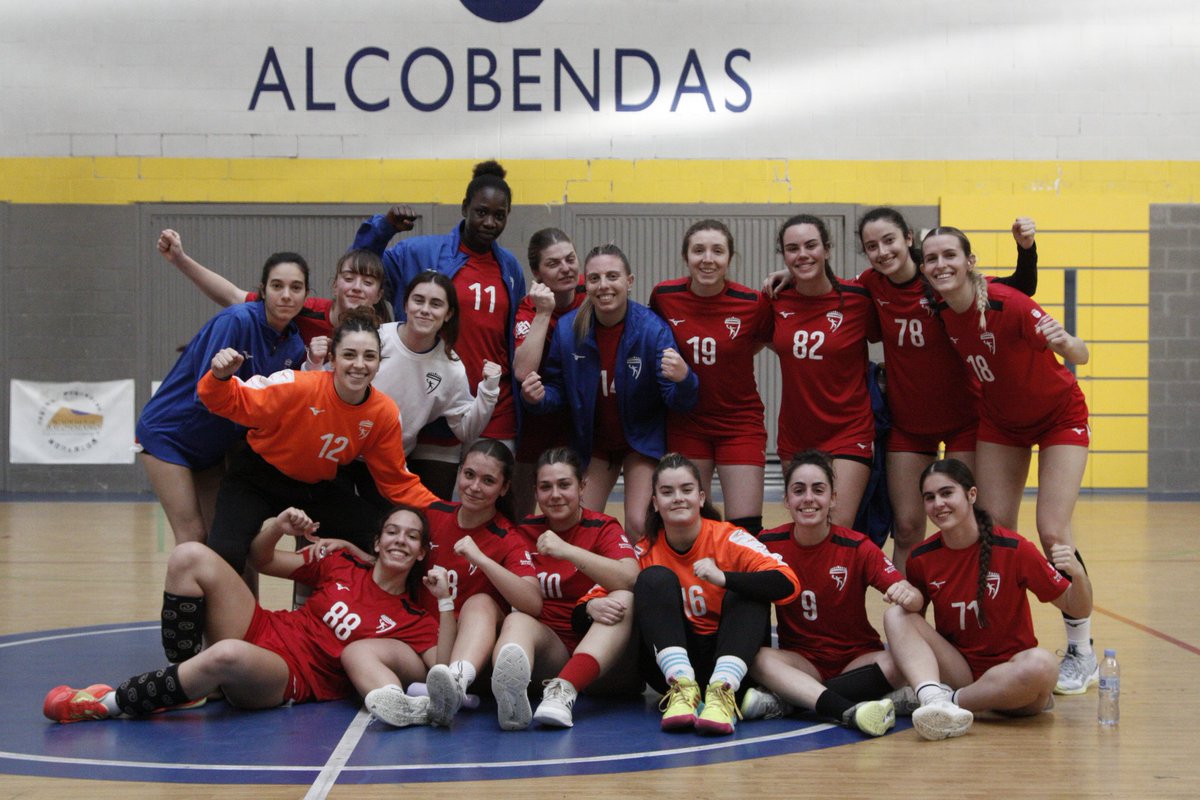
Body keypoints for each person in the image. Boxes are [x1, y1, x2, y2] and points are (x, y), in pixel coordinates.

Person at [44, 505, 443, 728]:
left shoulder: (414, 618)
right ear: (377, 541)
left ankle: (109, 702)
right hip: (264, 625)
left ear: (422, 552)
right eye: (392, 532)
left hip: (287, 675)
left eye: (411, 537)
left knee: (227, 654)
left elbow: (439, 669)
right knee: (189, 557)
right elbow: (262, 559)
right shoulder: (338, 562)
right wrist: (276, 526)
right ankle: (184, 682)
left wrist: (446, 603)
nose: (400, 541)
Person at [921, 226, 1097, 695]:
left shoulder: (1008, 304)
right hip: (1001, 423)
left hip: (1059, 416)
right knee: (993, 528)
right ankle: (999, 646)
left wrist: (1066, 343)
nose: (941, 265)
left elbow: (1081, 353)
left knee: (1052, 529)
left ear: (970, 261)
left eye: (949, 256)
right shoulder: (940, 308)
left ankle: (1081, 648)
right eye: (931, 258)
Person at [855, 209, 1038, 571]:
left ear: (908, 238)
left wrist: (1026, 249)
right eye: (871, 246)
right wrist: (790, 274)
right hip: (908, 425)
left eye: (889, 240)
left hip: (964, 422)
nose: (882, 251)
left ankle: (968, 609)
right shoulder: (871, 284)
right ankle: (906, 618)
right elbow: (829, 292)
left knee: (964, 523)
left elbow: (1019, 286)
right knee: (907, 527)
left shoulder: (941, 281)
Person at [197, 308, 439, 577]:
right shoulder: (295, 387)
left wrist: (445, 512)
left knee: (377, 537)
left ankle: (350, 606)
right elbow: (228, 401)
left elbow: (397, 481)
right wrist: (220, 377)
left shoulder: (383, 412)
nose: (359, 364)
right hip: (256, 478)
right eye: (349, 355)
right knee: (225, 555)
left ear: (379, 362)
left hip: (314, 488)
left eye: (369, 356)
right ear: (332, 360)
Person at [883, 459, 1093, 740]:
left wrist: (1078, 576)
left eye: (947, 493)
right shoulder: (922, 557)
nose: (938, 504)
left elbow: (1076, 607)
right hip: (960, 669)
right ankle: (937, 698)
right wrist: (908, 599)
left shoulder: (1014, 549)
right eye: (929, 497)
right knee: (897, 615)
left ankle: (949, 703)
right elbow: (915, 630)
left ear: (971, 495)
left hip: (1012, 678)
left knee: (1042, 664)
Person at [352, 161, 526, 497]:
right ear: (464, 209)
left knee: (483, 507)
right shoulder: (420, 251)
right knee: (424, 513)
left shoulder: (510, 268)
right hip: (429, 406)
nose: (489, 222)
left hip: (492, 406)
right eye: (481, 212)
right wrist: (384, 228)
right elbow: (360, 268)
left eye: (499, 215)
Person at [521, 244, 699, 541]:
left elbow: (681, 401)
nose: (603, 286)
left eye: (612, 276)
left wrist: (685, 380)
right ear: (586, 283)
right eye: (594, 278)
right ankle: (588, 584)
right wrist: (537, 398)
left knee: (639, 524)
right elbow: (556, 392)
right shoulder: (569, 329)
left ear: (629, 281)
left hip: (639, 440)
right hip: (593, 442)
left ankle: (638, 584)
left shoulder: (652, 330)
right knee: (576, 523)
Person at [740, 450, 922, 736]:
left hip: (857, 660)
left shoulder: (857, 547)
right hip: (802, 661)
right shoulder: (769, 545)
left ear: (833, 499)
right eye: (798, 491)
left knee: (900, 661)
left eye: (818, 490)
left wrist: (908, 595)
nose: (808, 498)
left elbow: (913, 597)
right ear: (787, 500)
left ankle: (791, 701)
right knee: (759, 659)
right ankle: (857, 702)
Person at [136, 252, 308, 545]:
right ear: (263, 289)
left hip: (213, 448)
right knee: (192, 536)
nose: (286, 295)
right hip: (170, 434)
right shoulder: (236, 320)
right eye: (277, 286)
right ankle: (181, 592)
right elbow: (207, 394)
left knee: (226, 539)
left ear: (306, 294)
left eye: (296, 287)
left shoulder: (295, 345)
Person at [634, 453, 800, 736]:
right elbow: (590, 603)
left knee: (746, 588)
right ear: (655, 503)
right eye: (667, 492)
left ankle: (720, 695)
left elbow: (788, 583)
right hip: (672, 669)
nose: (677, 498)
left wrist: (724, 578)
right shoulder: (644, 551)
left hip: (731, 662)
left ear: (701, 497)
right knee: (652, 579)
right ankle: (682, 689)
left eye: (686, 490)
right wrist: (595, 606)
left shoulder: (730, 538)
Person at [489, 447, 640, 730]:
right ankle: (510, 697)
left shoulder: (602, 527)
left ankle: (566, 690)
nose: (555, 494)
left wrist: (568, 551)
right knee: (517, 619)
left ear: (583, 487)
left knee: (624, 598)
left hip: (605, 659)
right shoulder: (523, 532)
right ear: (535, 492)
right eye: (545, 487)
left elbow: (631, 578)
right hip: (551, 652)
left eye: (564, 485)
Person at [649, 219, 772, 534]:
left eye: (717, 250)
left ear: (729, 258)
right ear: (685, 256)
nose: (707, 258)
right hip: (686, 422)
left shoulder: (752, 303)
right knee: (687, 520)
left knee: (745, 528)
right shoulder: (664, 296)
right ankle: (694, 584)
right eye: (698, 250)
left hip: (739, 422)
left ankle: (737, 584)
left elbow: (755, 343)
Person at [420, 439, 543, 728]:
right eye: (470, 475)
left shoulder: (507, 537)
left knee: (481, 602)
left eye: (488, 481)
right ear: (459, 472)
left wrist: (483, 559)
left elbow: (532, 603)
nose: (475, 487)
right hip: (426, 641)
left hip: (474, 652)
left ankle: (457, 682)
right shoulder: (433, 514)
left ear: (503, 488)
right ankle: (419, 697)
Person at [769, 215, 879, 528]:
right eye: (792, 249)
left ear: (827, 249)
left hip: (849, 429)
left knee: (836, 524)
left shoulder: (858, 299)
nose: (802, 254)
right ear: (784, 255)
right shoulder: (774, 300)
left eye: (810, 245)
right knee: (807, 524)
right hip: (797, 432)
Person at [157, 229, 390, 346]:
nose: (357, 287)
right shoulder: (301, 307)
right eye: (349, 278)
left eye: (368, 283)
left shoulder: (385, 337)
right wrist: (180, 259)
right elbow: (232, 295)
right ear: (334, 285)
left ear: (379, 294)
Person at [372, 271, 501, 455]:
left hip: (392, 459)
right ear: (405, 305)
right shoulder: (375, 338)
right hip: (346, 449)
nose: (425, 310)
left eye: (436, 304)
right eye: (418, 300)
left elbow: (467, 431)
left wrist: (489, 390)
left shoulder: (451, 367)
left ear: (448, 314)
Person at [511, 228, 586, 519]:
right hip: (538, 417)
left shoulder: (591, 292)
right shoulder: (530, 306)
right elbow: (523, 370)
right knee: (521, 510)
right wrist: (543, 312)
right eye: (553, 264)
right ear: (537, 272)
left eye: (570, 259)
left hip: (582, 417)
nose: (566, 268)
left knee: (578, 507)